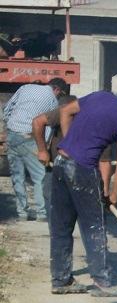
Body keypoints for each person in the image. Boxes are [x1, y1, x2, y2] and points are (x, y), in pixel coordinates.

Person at [49, 87, 117, 296]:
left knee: (61, 227)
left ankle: (60, 280)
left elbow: (65, 111)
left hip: (61, 162)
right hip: (82, 169)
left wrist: (70, 141)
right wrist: (115, 195)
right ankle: (102, 282)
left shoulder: (100, 96)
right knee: (95, 227)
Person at [2, 77, 68, 221]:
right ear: (57, 89)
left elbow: (7, 108)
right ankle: (41, 213)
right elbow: (48, 127)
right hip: (30, 137)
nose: (59, 97)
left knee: (17, 176)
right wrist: (44, 148)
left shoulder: (25, 87)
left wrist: (11, 126)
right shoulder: (52, 100)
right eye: (61, 94)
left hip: (13, 133)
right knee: (39, 177)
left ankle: (22, 213)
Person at [31, 94, 80, 219]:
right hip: (55, 166)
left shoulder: (76, 116)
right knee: (50, 195)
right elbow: (37, 122)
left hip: (75, 167)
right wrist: (42, 151)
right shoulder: (57, 115)